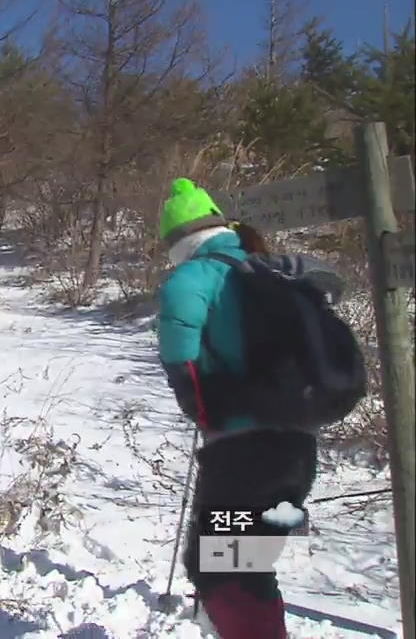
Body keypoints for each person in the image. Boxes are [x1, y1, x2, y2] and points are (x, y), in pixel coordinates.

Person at [157, 178, 345, 639]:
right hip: (296, 453)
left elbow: (182, 361)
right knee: (247, 563)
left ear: (177, 242)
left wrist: (204, 410)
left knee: (219, 566)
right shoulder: (266, 270)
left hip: (244, 460)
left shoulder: (192, 279)